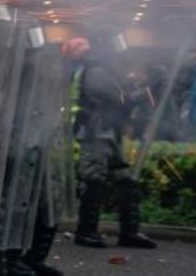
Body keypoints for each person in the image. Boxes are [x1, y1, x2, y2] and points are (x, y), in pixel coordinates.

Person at [64, 36, 157, 250]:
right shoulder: (96, 72)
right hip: (97, 132)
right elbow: (120, 98)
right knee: (94, 182)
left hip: (109, 132)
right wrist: (142, 94)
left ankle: (129, 232)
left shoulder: (104, 70)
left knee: (126, 180)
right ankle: (86, 232)